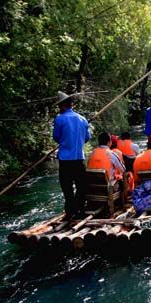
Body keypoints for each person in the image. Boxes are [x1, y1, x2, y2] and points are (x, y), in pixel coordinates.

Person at [52, 91, 91, 219]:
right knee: (81, 187)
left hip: (65, 160)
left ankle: (70, 212)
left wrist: (66, 141)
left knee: (67, 188)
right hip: (79, 159)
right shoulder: (83, 119)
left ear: (63, 105)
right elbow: (87, 138)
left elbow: (56, 137)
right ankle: (79, 210)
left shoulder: (59, 119)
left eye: (59, 106)